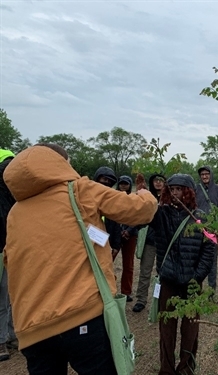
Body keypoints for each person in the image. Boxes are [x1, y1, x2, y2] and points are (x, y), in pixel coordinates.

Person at [3, 144, 158, 374]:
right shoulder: (79, 190)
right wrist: (145, 193)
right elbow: (140, 210)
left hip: (33, 329)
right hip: (83, 317)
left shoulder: (15, 213)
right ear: (60, 163)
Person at [150, 173, 215, 375]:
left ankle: (186, 368)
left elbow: (209, 248)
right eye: (172, 189)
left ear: (188, 192)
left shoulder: (201, 218)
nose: (176, 193)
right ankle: (166, 370)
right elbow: (141, 218)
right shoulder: (161, 215)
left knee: (190, 330)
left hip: (192, 283)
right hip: (168, 281)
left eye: (180, 189)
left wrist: (197, 276)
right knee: (166, 330)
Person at [133, 173, 166, 313]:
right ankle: (141, 299)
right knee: (145, 271)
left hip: (164, 241)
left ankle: (160, 300)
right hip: (149, 241)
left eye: (161, 181)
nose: (158, 183)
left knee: (162, 273)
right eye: (155, 180)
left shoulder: (170, 199)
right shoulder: (148, 198)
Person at [195, 166, 218, 290]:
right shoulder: (195, 189)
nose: (205, 176)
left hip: (213, 230)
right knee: (197, 260)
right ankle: (197, 289)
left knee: (212, 263)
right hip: (199, 229)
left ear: (211, 175)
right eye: (202, 174)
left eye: (207, 174)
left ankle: (212, 291)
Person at [0, 149, 17, 361]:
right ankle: (2, 341)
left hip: (11, 248)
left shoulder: (15, 198)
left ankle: (12, 334)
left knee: (14, 293)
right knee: (2, 297)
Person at [115, 175, 139, 302]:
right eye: (121, 183)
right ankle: (109, 290)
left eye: (126, 183)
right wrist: (118, 231)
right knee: (108, 262)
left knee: (128, 265)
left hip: (130, 235)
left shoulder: (135, 199)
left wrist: (128, 231)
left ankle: (126, 291)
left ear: (130, 185)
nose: (123, 186)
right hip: (115, 234)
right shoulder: (113, 198)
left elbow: (137, 217)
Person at [93, 167, 122, 260]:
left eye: (109, 181)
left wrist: (116, 246)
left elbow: (116, 223)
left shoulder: (111, 199)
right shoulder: (87, 196)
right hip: (89, 241)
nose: (107, 182)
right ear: (97, 178)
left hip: (106, 242)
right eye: (104, 179)